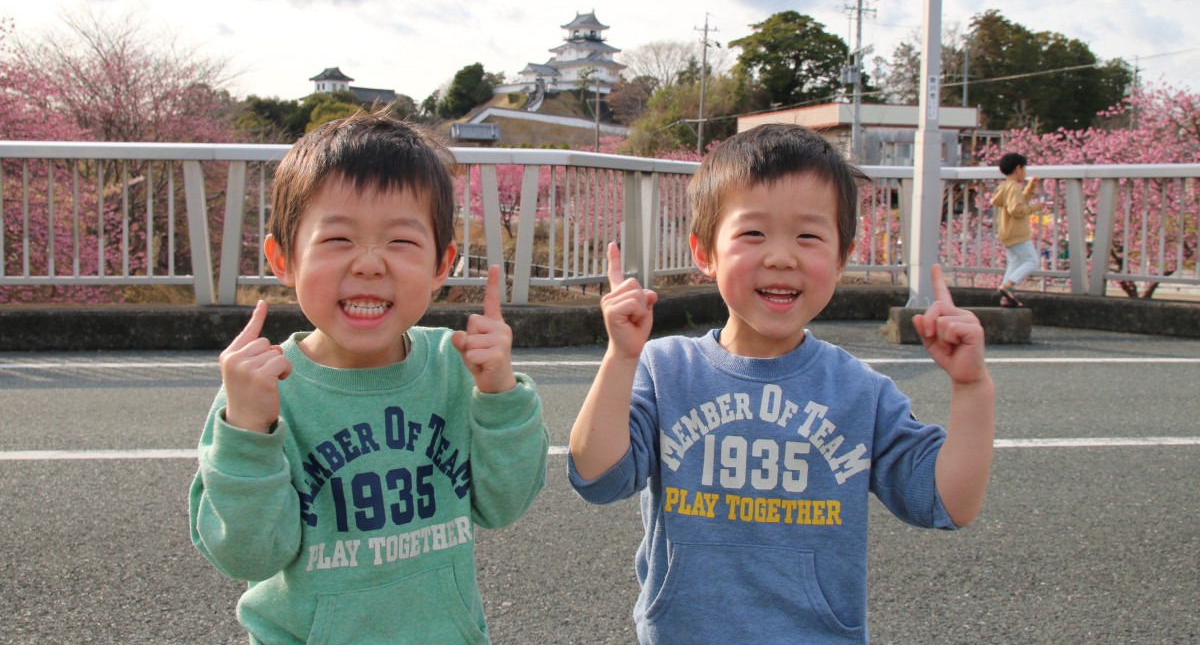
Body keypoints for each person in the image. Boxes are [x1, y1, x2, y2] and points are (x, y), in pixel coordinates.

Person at [567, 124, 995, 645]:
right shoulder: (666, 370)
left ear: (842, 256)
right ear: (704, 252)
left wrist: (972, 388)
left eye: (809, 236)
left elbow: (948, 502)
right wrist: (620, 358)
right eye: (753, 233)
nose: (781, 256)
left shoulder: (861, 392)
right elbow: (597, 476)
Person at [189, 111, 549, 644]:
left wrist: (499, 395)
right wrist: (246, 432)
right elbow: (247, 553)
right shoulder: (263, 389)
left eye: (401, 242)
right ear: (282, 258)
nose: (369, 264)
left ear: (441, 264)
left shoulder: (457, 367)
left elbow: (503, 505)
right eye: (337, 239)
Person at [991, 152, 1044, 307]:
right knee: (1032, 261)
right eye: (1024, 168)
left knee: (1014, 263)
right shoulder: (1014, 188)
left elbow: (1020, 200)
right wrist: (1035, 207)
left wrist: (1031, 186)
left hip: (1006, 232)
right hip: (1017, 232)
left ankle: (1006, 297)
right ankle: (1007, 286)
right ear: (1018, 169)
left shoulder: (1005, 187)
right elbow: (1016, 209)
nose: (1025, 171)